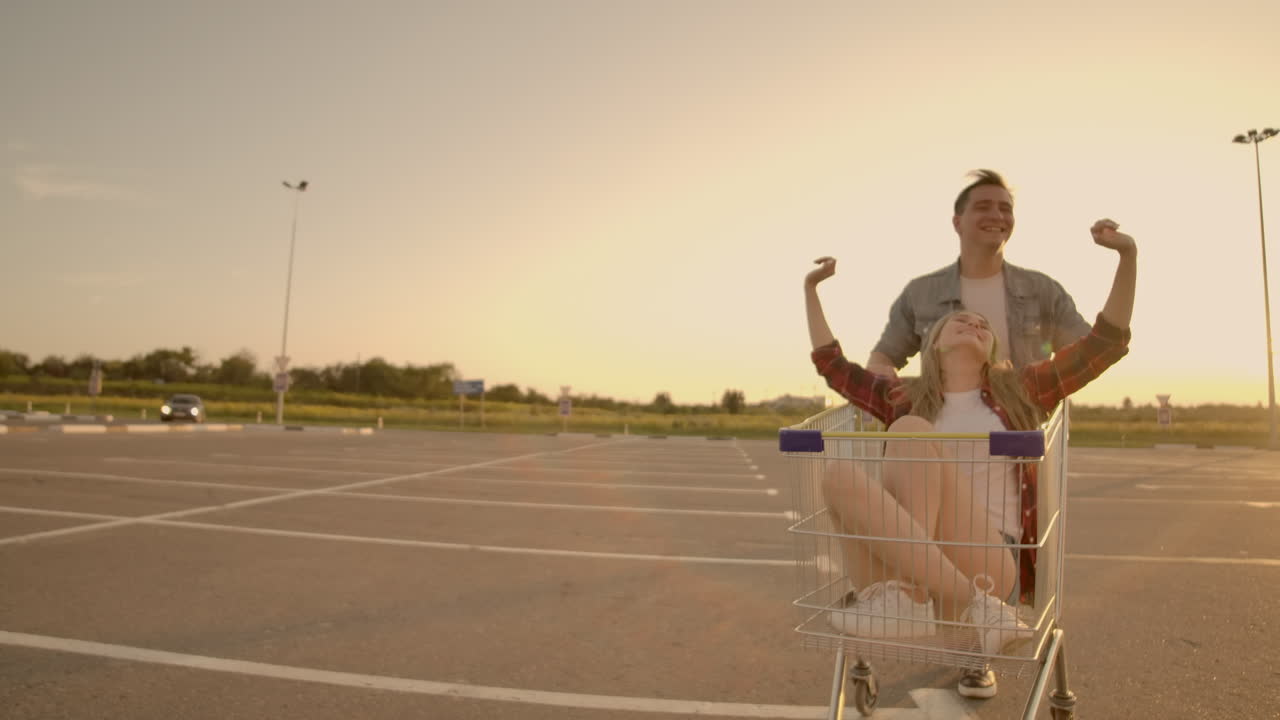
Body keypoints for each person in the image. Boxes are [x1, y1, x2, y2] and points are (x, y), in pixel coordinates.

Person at [802, 218, 1136, 699]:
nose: (974, 323)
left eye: (983, 326)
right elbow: (832, 365)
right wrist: (811, 288)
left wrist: (1127, 257)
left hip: (986, 559)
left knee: (911, 432)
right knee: (837, 471)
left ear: (992, 351)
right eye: (961, 320)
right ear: (934, 343)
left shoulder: (1021, 391)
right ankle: (964, 611)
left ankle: (946, 603)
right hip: (899, 569)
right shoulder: (902, 395)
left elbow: (1105, 344)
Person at [867, 170, 1092, 377]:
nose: (997, 215)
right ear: (957, 223)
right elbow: (885, 355)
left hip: (1024, 419)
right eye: (983, 207)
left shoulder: (1044, 290)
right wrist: (881, 377)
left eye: (1005, 209)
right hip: (943, 419)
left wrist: (1047, 377)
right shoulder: (920, 292)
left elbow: (1089, 350)